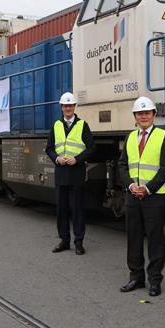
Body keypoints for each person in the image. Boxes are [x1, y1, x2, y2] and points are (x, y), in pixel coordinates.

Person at [117, 96, 165, 296]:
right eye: (139, 113)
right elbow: (123, 165)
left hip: (154, 196)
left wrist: (148, 189)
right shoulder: (130, 137)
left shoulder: (164, 136)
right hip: (133, 195)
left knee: (155, 239)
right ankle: (136, 277)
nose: (143, 116)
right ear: (135, 116)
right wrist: (131, 185)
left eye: (147, 113)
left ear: (154, 115)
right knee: (133, 238)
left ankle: (155, 280)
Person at [45, 92, 96, 255]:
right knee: (61, 209)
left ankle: (79, 242)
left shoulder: (83, 125)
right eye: (65, 106)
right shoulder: (56, 126)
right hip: (61, 172)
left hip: (76, 172)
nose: (68, 108)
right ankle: (64, 240)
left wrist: (77, 159)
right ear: (61, 107)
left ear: (74, 107)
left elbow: (91, 148)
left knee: (78, 209)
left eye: (70, 105)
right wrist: (57, 158)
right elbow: (49, 148)